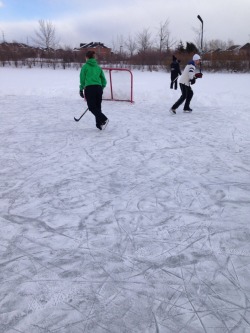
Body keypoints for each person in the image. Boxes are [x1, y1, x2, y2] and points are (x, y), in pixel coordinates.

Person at [79, 50, 108, 130]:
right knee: (97, 107)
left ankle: (103, 119)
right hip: (98, 89)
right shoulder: (98, 67)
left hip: (90, 89)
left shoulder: (85, 67)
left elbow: (82, 79)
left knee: (92, 107)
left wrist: (81, 89)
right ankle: (99, 124)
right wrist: (101, 88)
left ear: (87, 57)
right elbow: (104, 80)